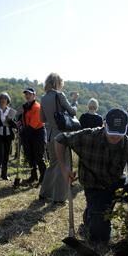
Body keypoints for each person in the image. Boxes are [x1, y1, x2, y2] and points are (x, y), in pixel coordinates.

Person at [55, 108, 128, 246]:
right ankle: (90, 215)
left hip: (117, 183)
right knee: (100, 238)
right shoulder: (88, 136)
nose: (115, 137)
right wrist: (64, 168)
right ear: (104, 125)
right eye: (111, 132)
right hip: (95, 187)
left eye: (119, 133)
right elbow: (60, 139)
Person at [39, 73, 78, 203]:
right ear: (57, 83)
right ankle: (60, 197)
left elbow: (42, 119)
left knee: (53, 164)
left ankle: (44, 192)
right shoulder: (59, 95)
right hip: (62, 135)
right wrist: (75, 103)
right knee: (64, 165)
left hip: (49, 135)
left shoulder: (43, 98)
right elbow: (73, 112)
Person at [18, 88, 46, 185]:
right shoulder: (26, 106)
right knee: (30, 157)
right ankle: (33, 176)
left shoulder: (37, 107)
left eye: (29, 94)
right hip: (28, 133)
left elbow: (33, 125)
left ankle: (44, 177)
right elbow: (23, 119)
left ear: (34, 95)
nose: (27, 95)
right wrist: (20, 123)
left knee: (38, 157)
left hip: (37, 133)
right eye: (26, 94)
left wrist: (22, 133)